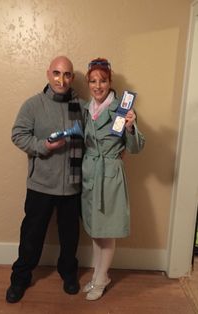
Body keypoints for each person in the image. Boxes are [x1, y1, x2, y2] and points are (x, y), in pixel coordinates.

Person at [6, 56, 85, 303]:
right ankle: (20, 278)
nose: (62, 79)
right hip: (40, 185)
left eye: (68, 74)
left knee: (70, 236)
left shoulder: (81, 106)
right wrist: (44, 146)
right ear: (48, 74)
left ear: (72, 78)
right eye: (57, 73)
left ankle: (68, 273)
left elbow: (96, 134)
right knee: (32, 235)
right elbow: (18, 135)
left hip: (72, 186)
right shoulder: (33, 105)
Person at [81, 58, 145, 301]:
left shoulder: (121, 109)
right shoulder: (87, 108)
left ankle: (101, 278)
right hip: (91, 173)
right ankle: (100, 275)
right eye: (93, 81)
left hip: (109, 176)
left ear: (110, 81)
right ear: (88, 83)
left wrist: (131, 127)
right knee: (96, 230)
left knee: (107, 230)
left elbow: (136, 148)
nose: (98, 86)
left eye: (103, 80)